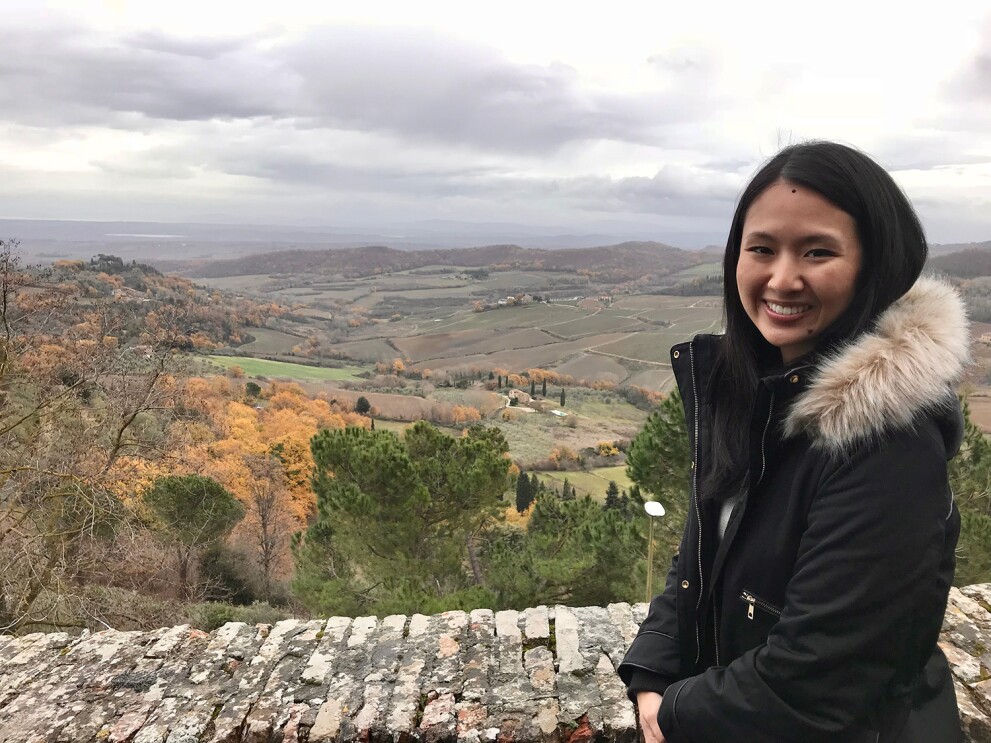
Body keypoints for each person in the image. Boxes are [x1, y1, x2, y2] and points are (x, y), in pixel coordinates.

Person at [617, 141, 968, 743]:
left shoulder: (889, 444)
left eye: (818, 251)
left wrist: (673, 714)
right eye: (761, 249)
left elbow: (820, 679)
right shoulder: (754, 390)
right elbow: (703, 548)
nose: (782, 278)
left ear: (874, 264)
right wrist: (655, 664)